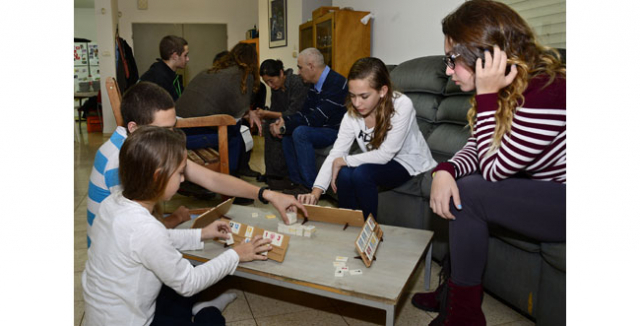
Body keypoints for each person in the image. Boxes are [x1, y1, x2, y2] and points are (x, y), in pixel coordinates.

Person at [410, 1, 566, 325]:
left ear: (486, 56)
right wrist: (445, 170)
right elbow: (477, 147)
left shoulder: (547, 91)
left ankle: (464, 316)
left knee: (469, 193)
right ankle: (454, 297)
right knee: (458, 186)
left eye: (452, 61)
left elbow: (494, 168)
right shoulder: (511, 89)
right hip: (539, 189)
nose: (448, 71)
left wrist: (485, 96)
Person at [82, 126, 276, 325]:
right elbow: (189, 283)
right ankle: (207, 310)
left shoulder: (112, 203)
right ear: (158, 176)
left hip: (105, 316)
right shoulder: (145, 229)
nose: (183, 179)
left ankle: (196, 308)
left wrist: (201, 234)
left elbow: (156, 240)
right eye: (179, 173)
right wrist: (236, 254)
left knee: (170, 288)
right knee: (207, 315)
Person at [87, 82, 305, 247]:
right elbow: (131, 236)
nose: (172, 135)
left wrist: (268, 195)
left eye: (174, 127)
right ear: (134, 128)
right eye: (165, 130)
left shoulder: (138, 146)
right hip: (120, 252)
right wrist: (173, 221)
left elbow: (210, 178)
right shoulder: (119, 162)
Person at [297, 57, 436, 220]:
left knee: (362, 173)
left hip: (407, 161)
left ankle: (370, 232)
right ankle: (348, 226)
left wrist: (344, 160)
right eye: (353, 95)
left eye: (364, 96)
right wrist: (315, 192)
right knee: (345, 174)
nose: (357, 103)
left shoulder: (401, 106)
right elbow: (336, 153)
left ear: (383, 91)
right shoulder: (352, 114)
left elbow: (385, 155)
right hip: (375, 160)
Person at [270, 47, 349, 195]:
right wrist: (284, 121)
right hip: (322, 127)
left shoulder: (336, 83)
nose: (298, 72)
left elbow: (316, 118)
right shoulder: (315, 84)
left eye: (300, 68)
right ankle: (296, 182)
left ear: (311, 66)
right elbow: (304, 112)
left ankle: (309, 186)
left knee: (300, 132)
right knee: (290, 131)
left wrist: (285, 126)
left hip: (336, 130)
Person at [175, 43, 262, 173]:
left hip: (177, 129)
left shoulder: (211, 71)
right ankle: (229, 178)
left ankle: (223, 178)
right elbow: (236, 116)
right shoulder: (243, 75)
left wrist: (247, 112)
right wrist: (247, 113)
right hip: (193, 133)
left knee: (231, 127)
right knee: (236, 131)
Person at [257, 59, 309, 190]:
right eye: (266, 82)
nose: (270, 85)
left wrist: (267, 114)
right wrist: (269, 117)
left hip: (301, 118)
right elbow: (276, 108)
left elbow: (293, 111)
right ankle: (272, 173)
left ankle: (282, 175)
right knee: (269, 125)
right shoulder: (277, 87)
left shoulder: (297, 83)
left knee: (276, 124)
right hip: (287, 118)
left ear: (281, 73)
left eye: (271, 81)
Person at [139, 35, 189, 101]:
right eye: (185, 55)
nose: (187, 59)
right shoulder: (159, 78)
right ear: (175, 56)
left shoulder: (170, 75)